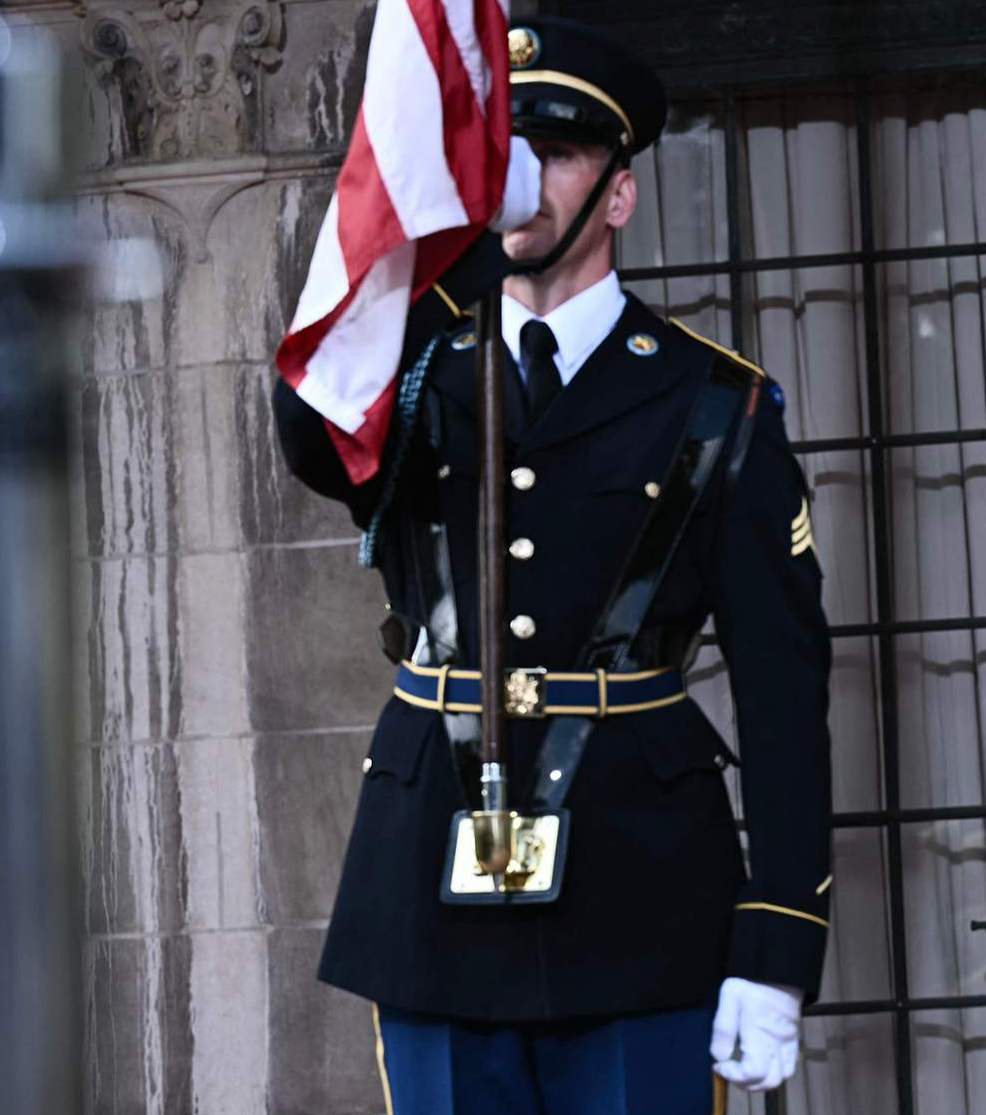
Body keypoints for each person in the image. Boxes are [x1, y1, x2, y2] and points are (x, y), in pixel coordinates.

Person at [270, 17, 832, 1113]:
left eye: (556, 152)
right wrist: (449, 248)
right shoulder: (410, 369)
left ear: (617, 193)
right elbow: (308, 430)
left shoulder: (713, 402)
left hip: (640, 894)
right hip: (432, 883)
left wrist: (778, 938)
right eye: (502, 151)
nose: (520, 176)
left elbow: (780, 686)